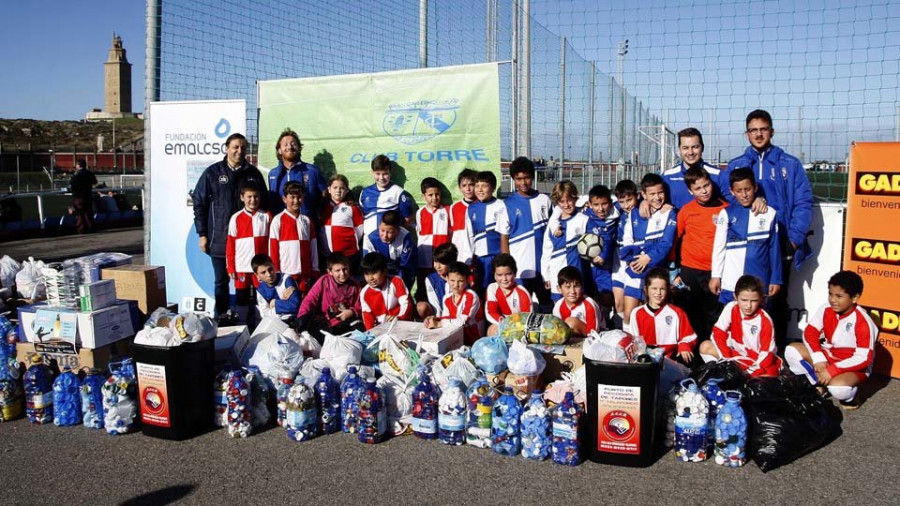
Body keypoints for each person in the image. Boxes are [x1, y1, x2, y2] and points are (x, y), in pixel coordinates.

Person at [725, 109, 813, 349]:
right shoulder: (737, 165)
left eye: (763, 129)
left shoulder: (790, 164)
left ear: (771, 131)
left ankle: (777, 354)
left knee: (775, 299)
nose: (758, 134)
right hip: (747, 246)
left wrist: (793, 239)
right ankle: (742, 352)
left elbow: (803, 203)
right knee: (745, 300)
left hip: (779, 243)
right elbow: (727, 195)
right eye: (753, 130)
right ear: (747, 134)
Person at [193, 133, 268, 321]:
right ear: (226, 148)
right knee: (221, 281)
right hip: (219, 239)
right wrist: (202, 234)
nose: (239, 151)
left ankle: (253, 318)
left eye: (243, 147)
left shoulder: (253, 173)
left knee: (252, 283)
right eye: (235, 147)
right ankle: (222, 317)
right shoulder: (212, 173)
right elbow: (199, 203)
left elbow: (264, 203)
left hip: (248, 242)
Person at [785, 271, 878, 410]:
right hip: (828, 356)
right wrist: (818, 358)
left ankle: (851, 397)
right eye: (830, 294)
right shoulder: (825, 309)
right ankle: (818, 385)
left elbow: (864, 358)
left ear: (854, 298)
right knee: (791, 350)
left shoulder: (864, 321)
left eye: (839, 296)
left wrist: (833, 370)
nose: (833, 300)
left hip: (853, 366)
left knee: (838, 389)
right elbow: (810, 332)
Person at [709, 168, 781, 304]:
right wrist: (716, 275)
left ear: (755, 188)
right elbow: (719, 248)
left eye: (747, 189)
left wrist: (775, 278)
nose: (744, 195)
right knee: (731, 321)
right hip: (731, 281)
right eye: (739, 191)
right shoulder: (726, 214)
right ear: (732, 191)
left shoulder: (769, 213)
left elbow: (774, 249)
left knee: (757, 322)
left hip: (760, 281)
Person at [674, 165, 729, 341]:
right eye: (697, 188)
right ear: (691, 191)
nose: (704, 191)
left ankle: (711, 357)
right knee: (691, 315)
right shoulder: (686, 211)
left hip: (716, 272)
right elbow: (674, 240)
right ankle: (691, 360)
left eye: (706, 185)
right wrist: (674, 271)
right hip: (690, 271)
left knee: (715, 315)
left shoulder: (726, 209)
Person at [618, 173, 677, 326]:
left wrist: (648, 258)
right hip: (635, 269)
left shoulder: (669, 213)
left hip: (656, 270)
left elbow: (666, 243)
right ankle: (628, 346)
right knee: (629, 314)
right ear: (643, 194)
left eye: (660, 193)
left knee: (651, 315)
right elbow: (627, 241)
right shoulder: (634, 213)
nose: (657, 197)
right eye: (652, 194)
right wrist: (633, 261)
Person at [700, 275, 782, 378]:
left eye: (754, 301)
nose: (748, 305)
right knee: (705, 346)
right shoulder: (731, 308)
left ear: (761, 299)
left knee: (763, 380)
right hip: (737, 358)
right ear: (735, 296)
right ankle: (720, 377)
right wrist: (727, 361)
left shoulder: (765, 321)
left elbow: (767, 355)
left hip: (758, 364)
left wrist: (747, 374)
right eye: (744, 300)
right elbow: (718, 334)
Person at [505, 156, 553, 305]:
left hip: (543, 264)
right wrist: (507, 264)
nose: (523, 182)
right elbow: (504, 237)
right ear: (513, 179)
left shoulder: (544, 200)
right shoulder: (507, 204)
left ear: (532, 177)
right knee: (522, 306)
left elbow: (553, 229)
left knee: (546, 303)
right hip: (520, 266)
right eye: (518, 179)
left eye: (526, 178)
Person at [627, 267, 696, 363]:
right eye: (654, 289)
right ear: (646, 289)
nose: (658, 293)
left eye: (662, 289)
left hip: (670, 362)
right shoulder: (637, 313)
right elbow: (633, 340)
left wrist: (684, 345)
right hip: (645, 363)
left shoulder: (677, 313)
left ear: (668, 289)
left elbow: (690, 336)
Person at [225, 181, 271, 322]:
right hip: (242, 266)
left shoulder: (267, 216)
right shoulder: (236, 218)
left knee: (262, 298)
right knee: (241, 298)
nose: (253, 200)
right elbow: (231, 244)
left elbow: (272, 242)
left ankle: (260, 326)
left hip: (261, 268)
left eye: (256, 196)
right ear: (242, 197)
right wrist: (231, 266)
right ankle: (242, 325)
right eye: (249, 197)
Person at [296, 252, 364, 343]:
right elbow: (310, 300)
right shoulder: (324, 281)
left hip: (346, 320)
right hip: (326, 322)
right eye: (338, 270)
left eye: (345, 269)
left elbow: (361, 306)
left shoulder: (355, 285)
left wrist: (352, 311)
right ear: (330, 272)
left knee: (359, 330)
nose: (342, 273)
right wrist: (302, 317)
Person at [660, 128, 731, 210]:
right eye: (685, 148)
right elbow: (653, 197)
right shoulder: (667, 177)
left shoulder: (719, 176)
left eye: (695, 147)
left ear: (702, 148)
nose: (690, 152)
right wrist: (645, 203)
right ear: (679, 150)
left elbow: (734, 205)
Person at [541, 181, 589, 301]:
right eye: (562, 201)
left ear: (575, 198)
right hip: (556, 274)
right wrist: (545, 276)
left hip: (578, 275)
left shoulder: (584, 219)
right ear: (557, 203)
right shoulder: (552, 225)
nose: (566, 204)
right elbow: (546, 251)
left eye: (569, 200)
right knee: (559, 311)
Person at [269, 181, 320, 292]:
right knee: (289, 305)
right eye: (292, 197)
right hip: (286, 274)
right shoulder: (277, 220)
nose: (296, 201)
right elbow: (273, 248)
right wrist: (276, 272)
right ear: (284, 199)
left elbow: (313, 247)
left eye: (299, 197)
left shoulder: (307, 221)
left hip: (305, 274)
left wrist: (315, 269)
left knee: (304, 305)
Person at [267, 128, 325, 218]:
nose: (290, 147)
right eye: (285, 145)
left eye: (293, 144)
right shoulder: (273, 174)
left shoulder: (312, 171)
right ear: (279, 150)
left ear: (299, 148)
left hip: (307, 225)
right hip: (282, 226)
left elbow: (325, 195)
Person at [467, 171, 510, 291]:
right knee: (480, 289)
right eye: (477, 186)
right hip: (479, 258)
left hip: (496, 257)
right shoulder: (471, 208)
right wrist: (470, 260)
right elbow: (469, 236)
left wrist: (504, 259)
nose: (480, 189)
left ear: (493, 188)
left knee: (499, 289)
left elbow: (504, 234)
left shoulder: (501, 205)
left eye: (484, 186)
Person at [424, 262, 485, 346]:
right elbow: (447, 317)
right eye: (452, 280)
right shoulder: (447, 298)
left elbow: (462, 321)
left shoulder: (471, 296)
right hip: (457, 338)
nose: (456, 285)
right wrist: (435, 319)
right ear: (447, 279)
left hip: (474, 340)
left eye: (460, 281)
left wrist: (439, 323)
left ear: (467, 281)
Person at [581, 185, 619, 310]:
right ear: (590, 204)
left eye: (604, 204)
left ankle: (607, 322)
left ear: (611, 203)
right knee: (587, 297)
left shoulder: (617, 212)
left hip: (605, 267)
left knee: (606, 297)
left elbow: (607, 240)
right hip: (587, 267)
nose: (601, 209)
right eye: (596, 204)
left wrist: (643, 203)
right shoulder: (584, 215)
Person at [359, 154, 415, 237]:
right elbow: (359, 217)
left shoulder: (398, 192)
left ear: (390, 172)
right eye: (378, 174)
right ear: (372, 172)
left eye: (385, 174)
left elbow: (408, 219)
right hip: (369, 242)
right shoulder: (365, 192)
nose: (381, 178)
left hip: (391, 242)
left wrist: (396, 236)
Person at [362, 210, 416, 289]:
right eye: (382, 230)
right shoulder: (370, 238)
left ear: (398, 230)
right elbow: (369, 264)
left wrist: (397, 285)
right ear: (379, 226)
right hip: (380, 274)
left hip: (401, 273)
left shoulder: (406, 238)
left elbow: (405, 267)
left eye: (390, 232)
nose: (385, 236)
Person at [611, 180, 640, 326]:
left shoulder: (642, 210)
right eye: (622, 201)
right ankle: (620, 335)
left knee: (634, 307)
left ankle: (632, 334)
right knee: (618, 303)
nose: (626, 205)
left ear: (638, 196)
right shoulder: (617, 210)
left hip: (635, 260)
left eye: (629, 200)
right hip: (619, 261)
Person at [359, 252, 412, 330]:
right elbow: (367, 318)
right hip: (381, 330)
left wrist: (398, 318)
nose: (370, 278)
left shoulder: (396, 281)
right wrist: (372, 334)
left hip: (401, 325)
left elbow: (406, 304)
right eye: (367, 274)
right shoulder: (364, 292)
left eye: (374, 273)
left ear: (384, 271)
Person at [319, 174, 364, 263]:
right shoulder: (322, 207)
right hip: (327, 255)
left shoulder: (352, 208)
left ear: (347, 190)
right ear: (329, 189)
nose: (338, 191)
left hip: (348, 256)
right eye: (335, 187)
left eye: (342, 188)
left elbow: (359, 230)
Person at [484, 253, 533, 336]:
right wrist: (504, 324)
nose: (504, 279)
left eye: (508, 274)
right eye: (499, 275)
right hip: (503, 324)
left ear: (514, 274)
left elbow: (527, 319)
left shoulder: (522, 293)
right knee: (492, 330)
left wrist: (512, 327)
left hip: (518, 327)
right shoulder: (492, 288)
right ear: (494, 275)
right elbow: (491, 312)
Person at [415, 177, 450, 287]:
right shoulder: (420, 212)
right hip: (424, 258)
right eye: (430, 195)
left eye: (437, 194)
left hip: (442, 258)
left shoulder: (448, 210)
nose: (434, 198)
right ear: (423, 196)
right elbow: (419, 233)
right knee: (424, 287)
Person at [552, 266, 605, 336]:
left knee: (570, 323)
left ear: (582, 287)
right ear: (559, 289)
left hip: (595, 337)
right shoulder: (558, 305)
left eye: (576, 286)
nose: (572, 291)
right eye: (567, 287)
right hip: (569, 338)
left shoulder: (589, 305)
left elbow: (594, 335)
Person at [252, 254, 300, 322]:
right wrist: (283, 306)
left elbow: (295, 306)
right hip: (274, 323)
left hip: (293, 321)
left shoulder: (286, 279)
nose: (269, 274)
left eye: (270, 269)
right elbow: (264, 314)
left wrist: (275, 303)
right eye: (263, 272)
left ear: (274, 265)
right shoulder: (260, 290)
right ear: (257, 275)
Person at [417, 242, 458, 319]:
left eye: (442, 263)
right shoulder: (430, 279)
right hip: (439, 316)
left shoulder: (459, 277)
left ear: (451, 263)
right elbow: (435, 304)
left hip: (456, 315)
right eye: (435, 262)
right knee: (421, 306)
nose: (437, 266)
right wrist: (438, 321)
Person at [449, 169, 478, 265]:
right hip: (460, 257)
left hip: (478, 256)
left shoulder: (482, 205)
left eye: (471, 184)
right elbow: (452, 233)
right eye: (464, 185)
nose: (468, 189)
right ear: (460, 187)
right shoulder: (454, 208)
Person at [69, 159, 99, 234]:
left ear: (78, 165)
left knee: (80, 213)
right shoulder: (89, 173)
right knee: (89, 212)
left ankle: (81, 229)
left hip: (79, 195)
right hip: (88, 195)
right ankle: (91, 227)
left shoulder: (76, 174)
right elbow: (94, 182)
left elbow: (72, 185)